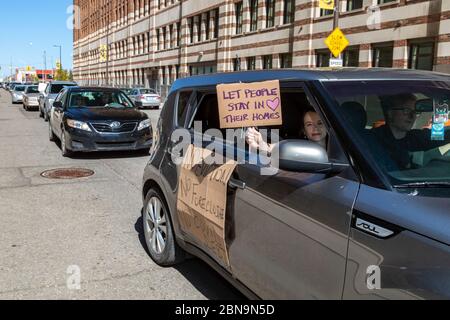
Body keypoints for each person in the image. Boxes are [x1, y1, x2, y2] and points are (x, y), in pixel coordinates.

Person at [372, 93, 450, 170]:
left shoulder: (413, 138)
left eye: (415, 111)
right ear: (390, 113)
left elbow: (440, 136)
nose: (412, 116)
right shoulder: (372, 140)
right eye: (406, 110)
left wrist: (440, 103)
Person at [246, 108, 328, 153]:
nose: (315, 128)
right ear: (304, 130)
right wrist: (258, 143)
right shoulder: (297, 146)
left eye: (320, 123)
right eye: (309, 124)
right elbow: (274, 147)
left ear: (327, 127)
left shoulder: (340, 143)